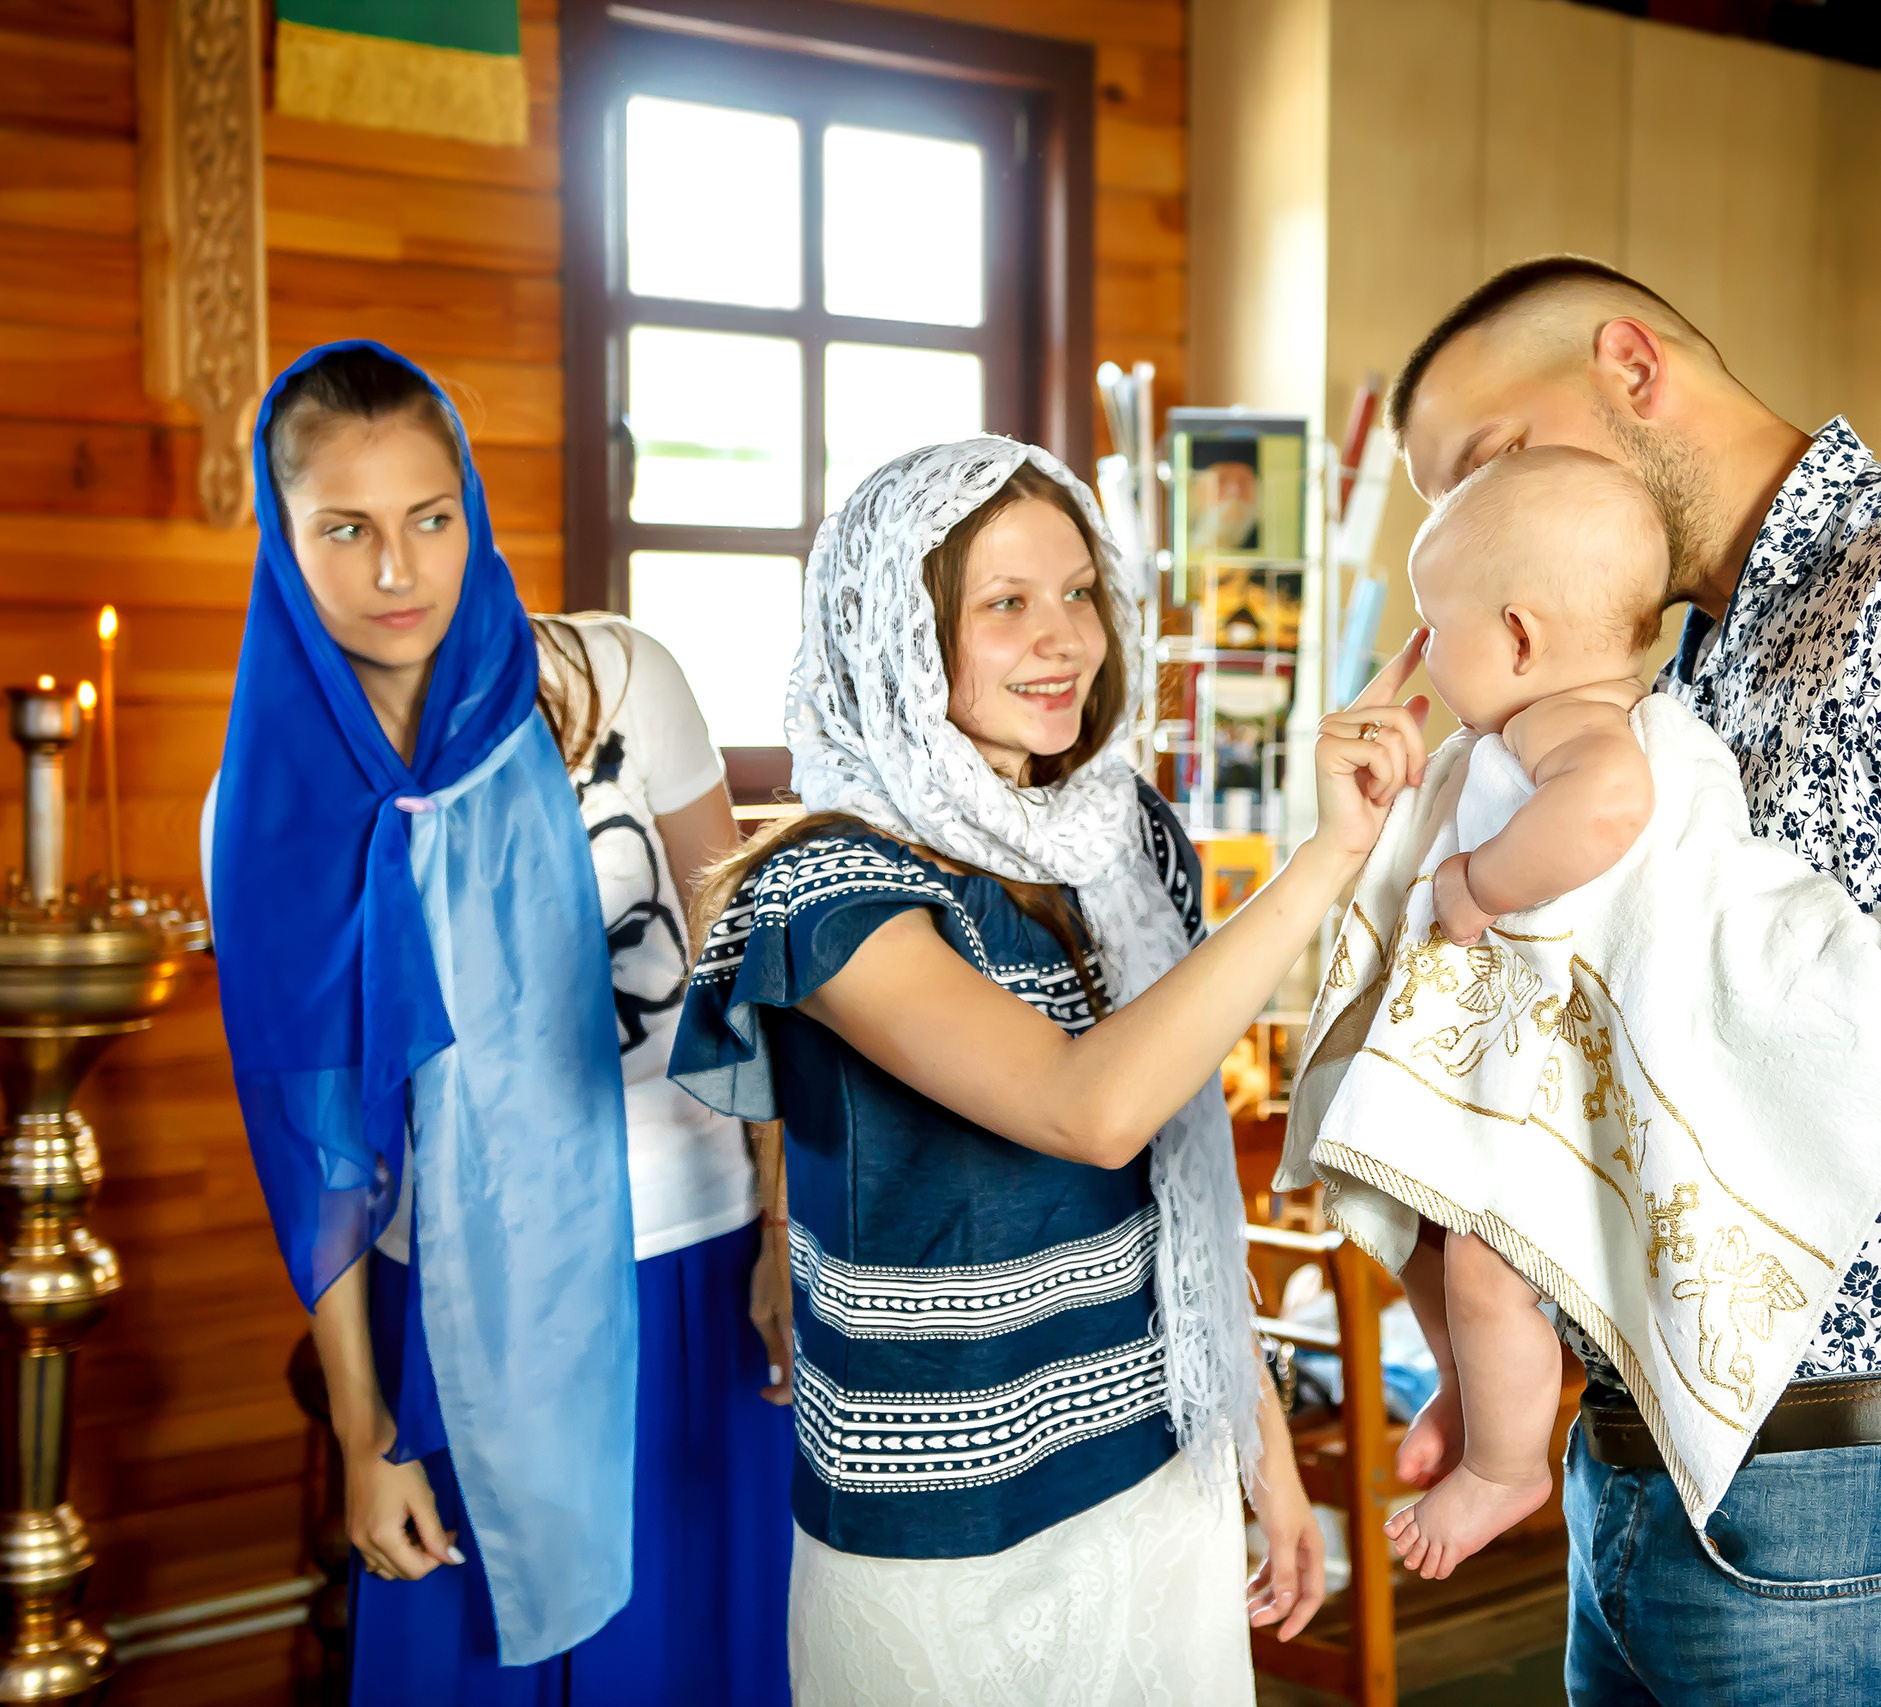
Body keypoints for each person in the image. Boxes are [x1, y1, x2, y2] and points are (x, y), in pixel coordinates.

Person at [1388, 258, 1881, 1706]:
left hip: (1862, 1492)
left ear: (1633, 367)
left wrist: (1705, 995)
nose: (1483, 526)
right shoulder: (1666, 665)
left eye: (1493, 459)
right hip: (1637, 1470)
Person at [667, 438, 1430, 1705]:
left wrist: (1261, 1455)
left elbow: (1182, 1193)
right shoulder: (825, 890)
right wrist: (1326, 859)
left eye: (1078, 591)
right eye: (1005, 603)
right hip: (940, 1535)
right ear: (899, 637)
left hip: (1161, 1472)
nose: (1062, 637)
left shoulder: (1126, 842)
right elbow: (1094, 1109)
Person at [205, 341, 793, 1704]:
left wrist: (782, 1227)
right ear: (284, 541)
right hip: (452, 1313)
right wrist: (365, 1432)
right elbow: (319, 1157)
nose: (395, 569)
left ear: (470, 506)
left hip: (693, 1269)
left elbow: (744, 974)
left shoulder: (619, 682)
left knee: (701, 1665)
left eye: (430, 517)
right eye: (344, 529)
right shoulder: (264, 809)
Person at [1380, 447, 1666, 1579]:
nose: (1422, 651)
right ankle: (1468, 1384)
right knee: (1422, 1222)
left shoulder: (1574, 724)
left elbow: (1608, 806)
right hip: (1519, 1054)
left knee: (1484, 1260)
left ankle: (1506, 1465)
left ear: (1518, 637)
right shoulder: (1541, 719)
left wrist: (1479, 883)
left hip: (1565, 1079)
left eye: (1434, 628)